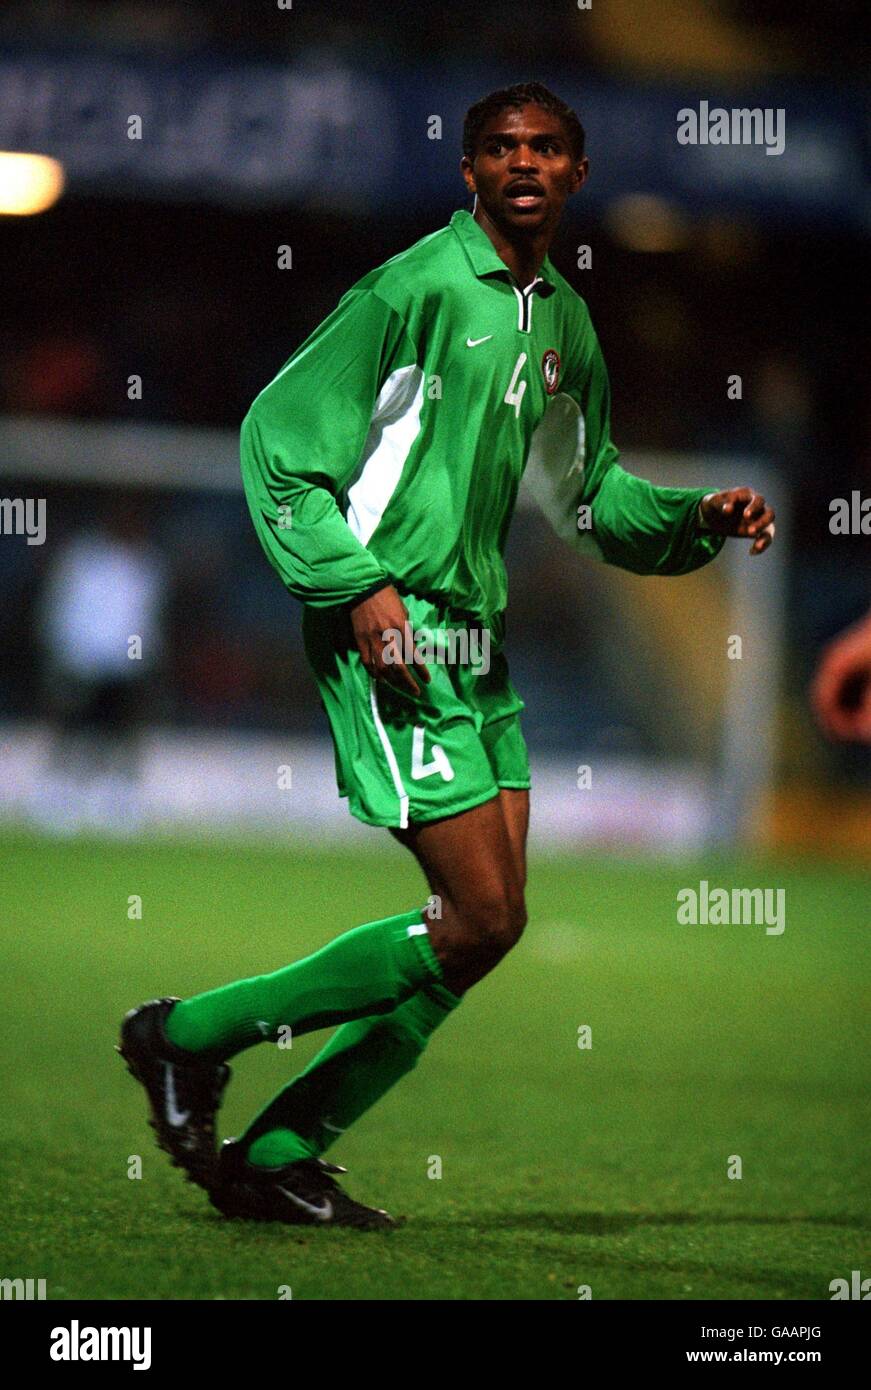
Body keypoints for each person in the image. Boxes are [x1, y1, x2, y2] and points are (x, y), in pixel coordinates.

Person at [118, 82, 775, 1228]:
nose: (523, 163)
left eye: (547, 147)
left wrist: (693, 517)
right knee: (476, 914)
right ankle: (184, 1036)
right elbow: (277, 440)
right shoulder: (411, 287)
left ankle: (276, 1149)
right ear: (467, 172)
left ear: (577, 172)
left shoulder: (563, 320)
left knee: (484, 932)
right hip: (394, 629)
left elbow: (589, 497)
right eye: (500, 148)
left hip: (477, 640)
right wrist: (363, 590)